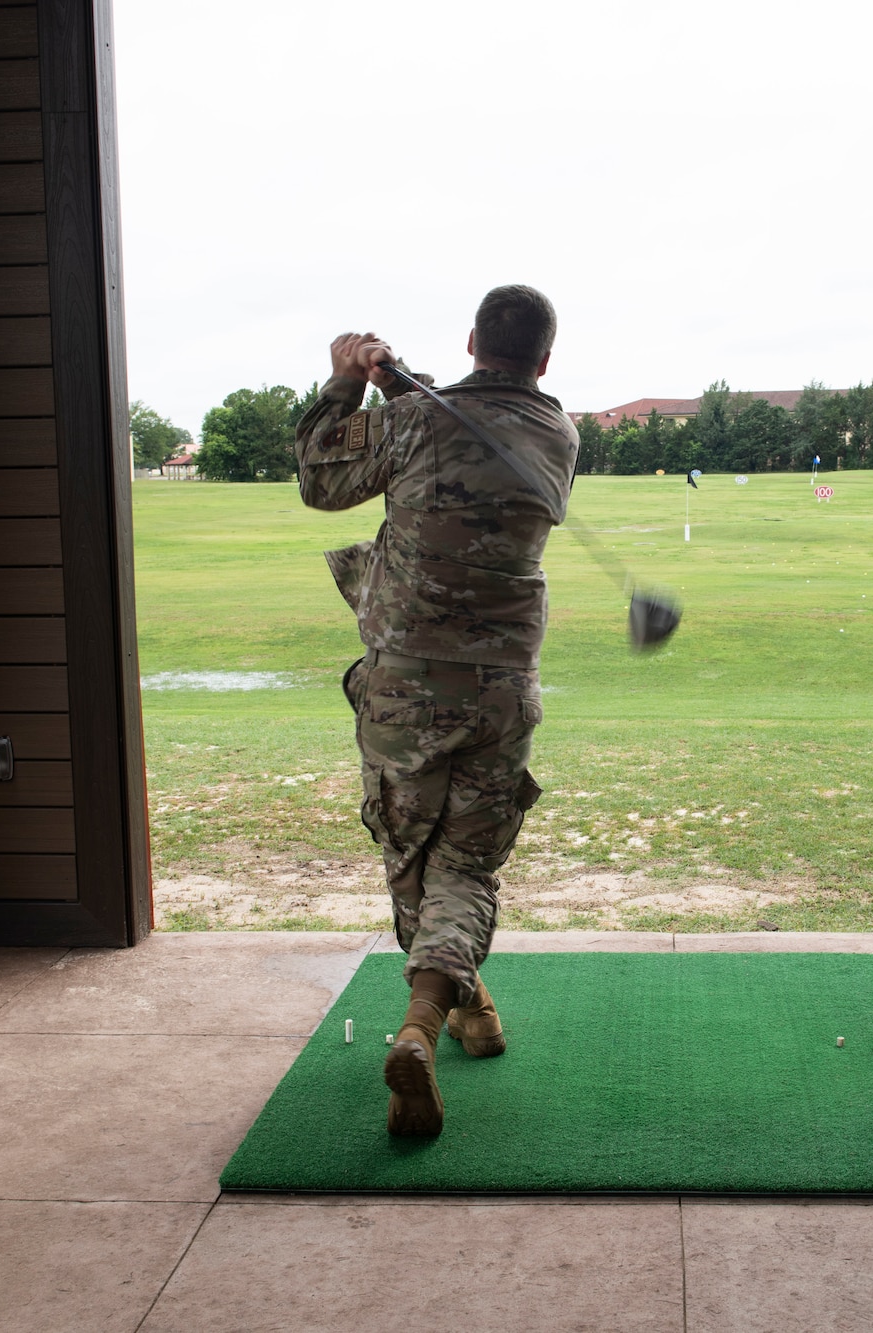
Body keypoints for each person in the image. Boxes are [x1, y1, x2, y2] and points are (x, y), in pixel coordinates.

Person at [293, 285, 578, 1137]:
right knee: (466, 866)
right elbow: (464, 436)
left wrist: (347, 382)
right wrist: (402, 389)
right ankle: (464, 1009)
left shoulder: (417, 421)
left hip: (407, 684)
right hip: (501, 687)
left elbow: (321, 482)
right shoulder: (560, 434)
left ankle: (418, 1024)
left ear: (470, 339)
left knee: (411, 854)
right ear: (545, 361)